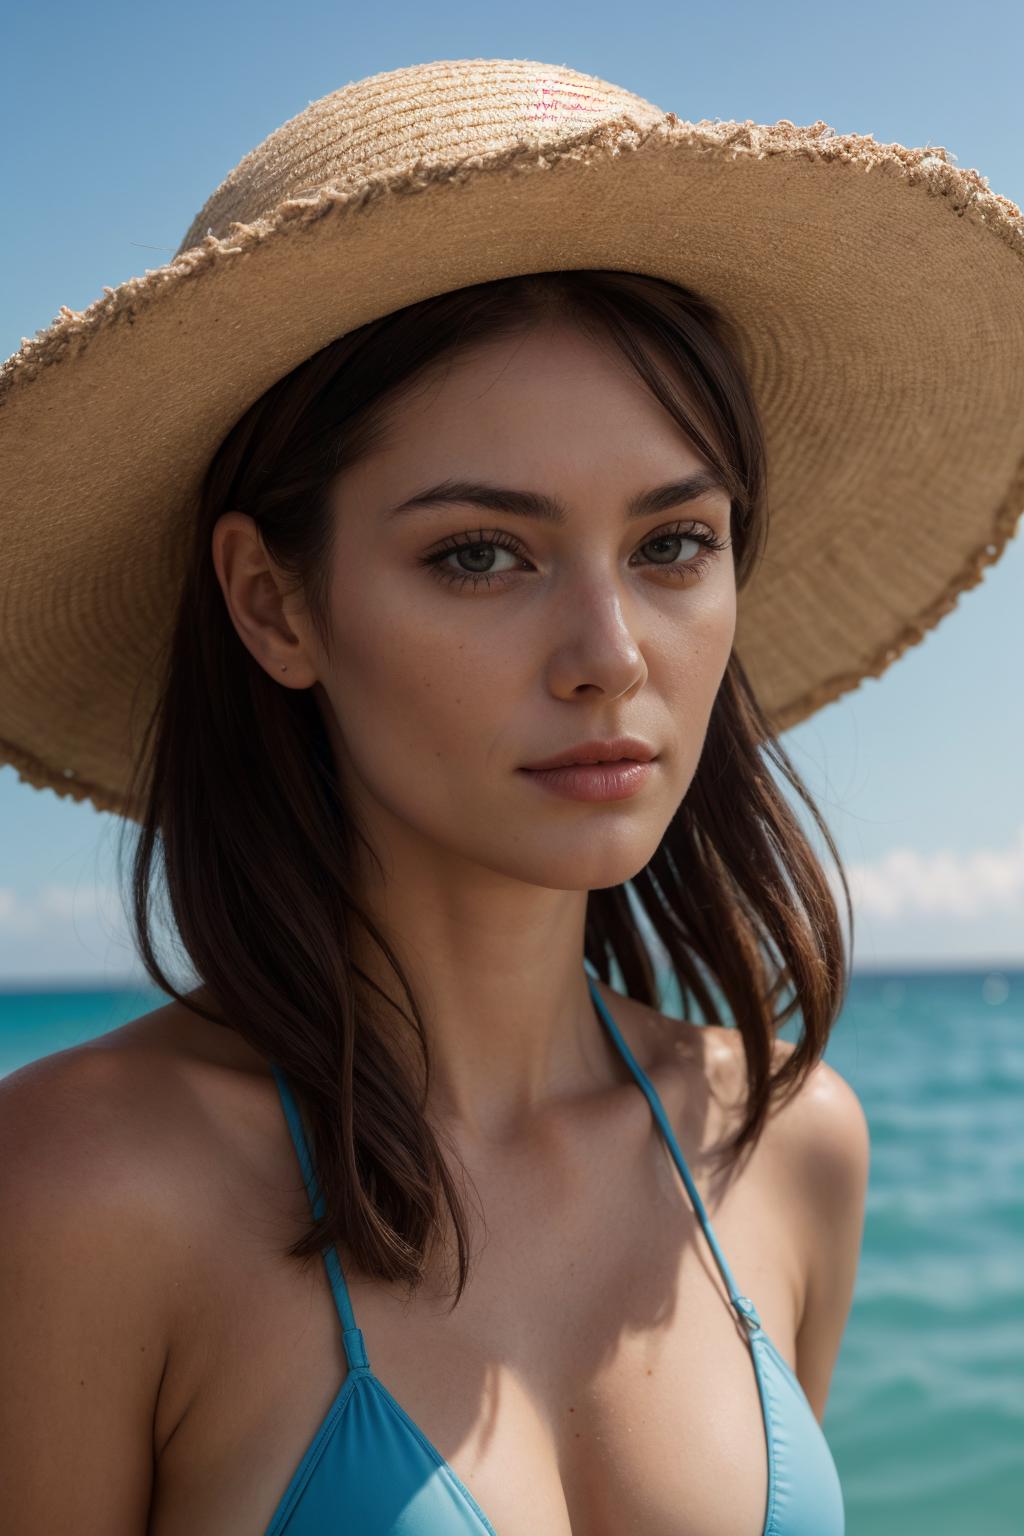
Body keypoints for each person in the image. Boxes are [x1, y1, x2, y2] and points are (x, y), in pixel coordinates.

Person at [2, 57, 1021, 1536]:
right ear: (273, 604)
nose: (611, 659)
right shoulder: (81, 1195)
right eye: (483, 553)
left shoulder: (791, 1146)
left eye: (674, 543)